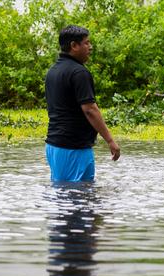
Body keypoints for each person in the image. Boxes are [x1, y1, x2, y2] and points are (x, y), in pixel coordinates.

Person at [44, 25, 120, 182]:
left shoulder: (53, 71)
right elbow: (90, 110)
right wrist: (110, 140)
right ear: (74, 45)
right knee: (74, 197)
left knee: (79, 194)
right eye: (86, 43)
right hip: (71, 147)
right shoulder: (79, 72)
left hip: (59, 144)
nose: (90, 47)